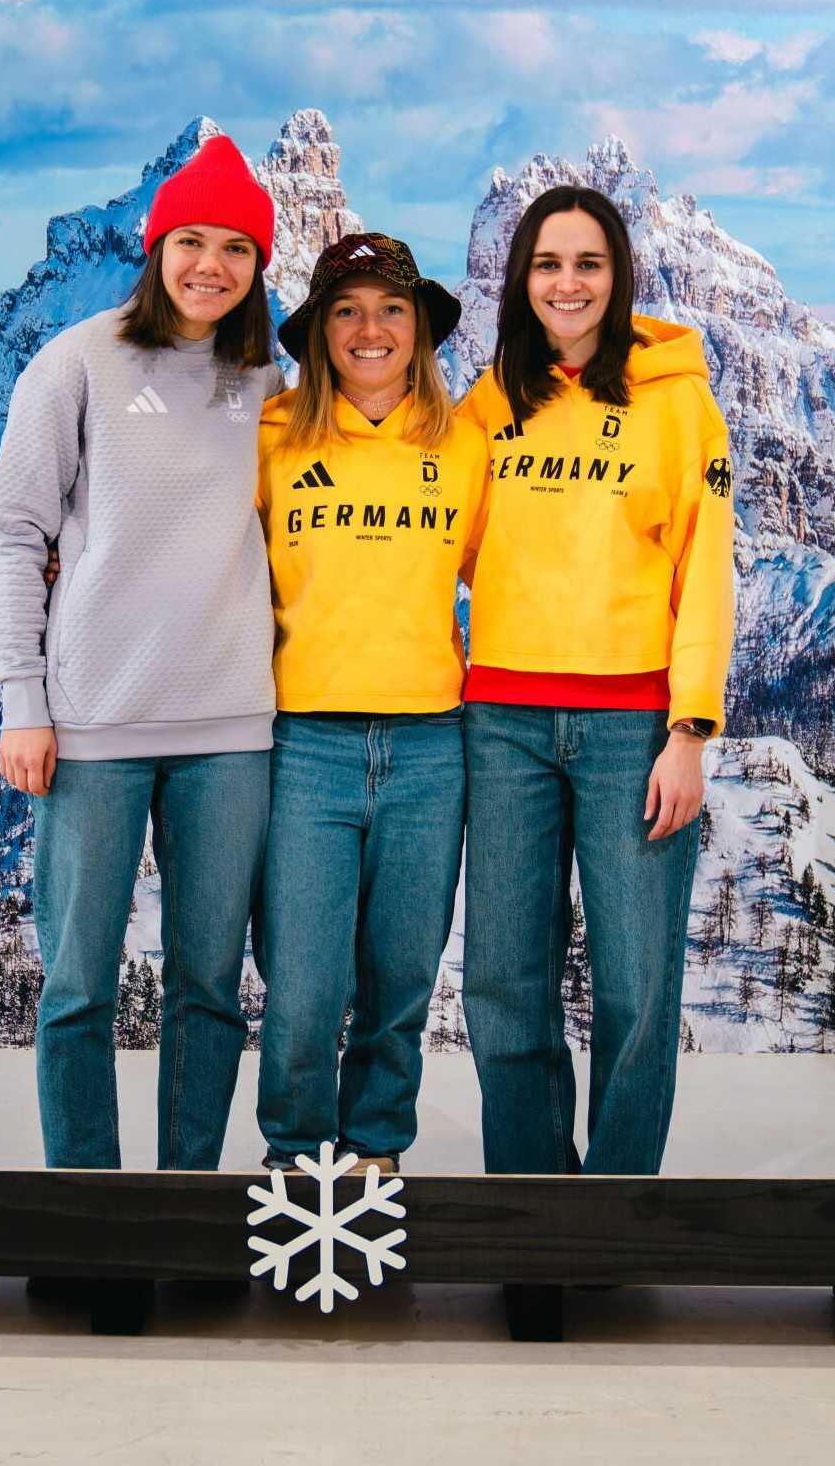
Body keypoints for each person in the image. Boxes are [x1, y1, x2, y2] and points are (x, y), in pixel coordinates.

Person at [0, 133, 283, 1170]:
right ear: (156, 247)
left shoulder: (269, 384)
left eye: (237, 247)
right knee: (78, 984)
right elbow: (14, 532)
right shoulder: (78, 360)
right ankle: (87, 1211)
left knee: (208, 984)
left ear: (259, 265)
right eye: (191, 240)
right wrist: (24, 699)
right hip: (94, 723)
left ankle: (185, 1201)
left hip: (234, 730)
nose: (211, 264)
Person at [456, 183, 736, 1176]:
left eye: (587, 263)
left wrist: (690, 730)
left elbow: (706, 568)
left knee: (636, 981)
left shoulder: (676, 403)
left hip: (632, 728)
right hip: (501, 726)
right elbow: (425, 537)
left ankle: (616, 1212)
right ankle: (535, 1211)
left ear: (618, 278)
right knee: (501, 975)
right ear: (520, 280)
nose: (566, 283)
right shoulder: (492, 405)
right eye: (546, 263)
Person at [253, 232, 487, 1174]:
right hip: (304, 743)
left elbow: (525, 566)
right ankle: (292, 1155)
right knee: (304, 981)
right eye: (345, 310)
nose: (370, 328)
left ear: (422, 329)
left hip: (432, 744)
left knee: (399, 975)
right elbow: (182, 531)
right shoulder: (272, 438)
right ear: (317, 334)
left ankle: (375, 1151)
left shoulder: (466, 442)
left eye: (392, 309)